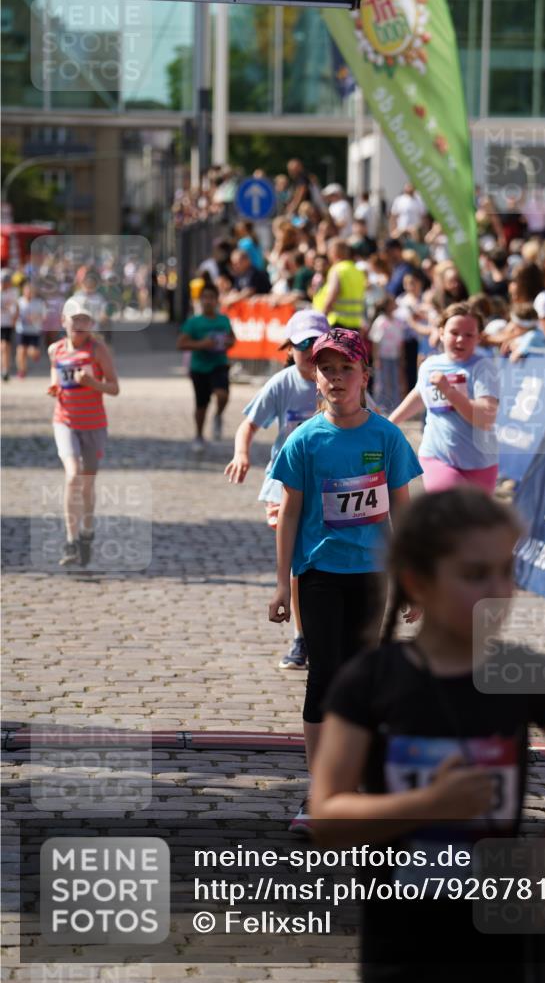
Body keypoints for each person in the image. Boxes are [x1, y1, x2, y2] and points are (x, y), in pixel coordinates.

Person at [310, 487, 545, 981]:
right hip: (404, 935)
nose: (498, 590)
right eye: (474, 574)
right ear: (417, 584)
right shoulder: (370, 680)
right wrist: (428, 806)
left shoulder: (523, 671)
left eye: (506, 571)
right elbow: (327, 818)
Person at [268, 328, 422, 830]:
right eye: (326, 369)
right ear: (315, 378)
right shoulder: (304, 440)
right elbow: (289, 514)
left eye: (345, 369)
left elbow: (403, 510)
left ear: (365, 376)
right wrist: (280, 584)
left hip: (372, 575)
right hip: (319, 574)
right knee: (325, 675)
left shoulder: (386, 436)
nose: (336, 378)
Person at [224, 310, 330, 670]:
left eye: (316, 344)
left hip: (328, 486)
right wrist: (241, 453)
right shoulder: (282, 384)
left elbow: (372, 418)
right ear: (289, 347)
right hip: (284, 486)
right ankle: (302, 637)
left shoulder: (338, 380)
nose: (309, 351)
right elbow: (248, 426)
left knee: (324, 562)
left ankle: (328, 633)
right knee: (300, 563)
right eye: (302, 345)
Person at [389, 303, 500, 494]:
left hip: (480, 463)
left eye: (469, 335)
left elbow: (485, 418)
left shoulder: (484, 368)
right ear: (441, 333)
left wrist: (449, 391)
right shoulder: (430, 365)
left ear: (479, 338)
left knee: (474, 523)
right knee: (450, 514)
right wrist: (388, 424)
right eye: (454, 332)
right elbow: (419, 396)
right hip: (437, 456)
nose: (460, 339)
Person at [47, 299, 119, 567]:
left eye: (85, 321)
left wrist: (91, 383)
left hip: (94, 424)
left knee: (87, 483)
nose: (80, 326)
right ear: (63, 321)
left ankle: (87, 532)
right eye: (75, 320)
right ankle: (70, 539)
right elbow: (55, 380)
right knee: (72, 475)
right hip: (65, 421)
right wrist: (54, 388)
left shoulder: (98, 350)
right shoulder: (55, 350)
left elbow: (114, 388)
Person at [177, 281, 235, 452]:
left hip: (219, 364)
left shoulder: (224, 320)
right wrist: (202, 344)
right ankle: (199, 435)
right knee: (201, 406)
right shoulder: (194, 322)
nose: (208, 301)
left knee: (222, 394)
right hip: (199, 367)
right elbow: (181, 344)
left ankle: (218, 416)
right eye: (205, 298)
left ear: (217, 300)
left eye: (211, 298)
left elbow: (232, 339)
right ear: (200, 300)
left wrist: (227, 342)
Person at [312, 239, 366, 331]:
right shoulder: (357, 271)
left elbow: (333, 295)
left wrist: (320, 319)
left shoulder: (337, 269)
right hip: (355, 325)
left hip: (337, 324)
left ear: (334, 252)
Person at [368, 297, 405, 414]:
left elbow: (400, 342)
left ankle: (396, 407)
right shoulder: (380, 321)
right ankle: (380, 407)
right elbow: (375, 342)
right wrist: (376, 359)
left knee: (395, 382)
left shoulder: (398, 322)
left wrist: (401, 357)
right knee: (382, 383)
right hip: (383, 357)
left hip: (395, 356)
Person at [15, 280, 46, 379]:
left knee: (32, 352)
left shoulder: (39, 302)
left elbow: (44, 316)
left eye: (30, 290)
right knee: (21, 351)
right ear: (23, 291)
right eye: (26, 290)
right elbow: (14, 314)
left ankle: (35, 354)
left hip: (34, 331)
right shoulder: (19, 301)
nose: (28, 292)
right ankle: (22, 371)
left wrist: (36, 318)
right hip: (21, 330)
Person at [1, 268, 18, 381]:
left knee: (6, 347)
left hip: (7, 323)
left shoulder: (13, 292)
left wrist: (14, 320)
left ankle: (5, 369)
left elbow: (16, 308)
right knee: (2, 347)